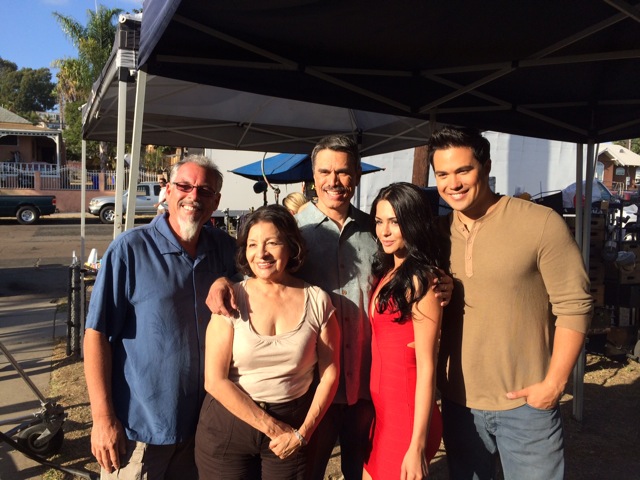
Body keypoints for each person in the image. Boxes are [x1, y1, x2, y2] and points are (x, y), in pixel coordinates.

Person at [207, 134, 453, 480]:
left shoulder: (377, 231)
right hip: (312, 390)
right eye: (325, 172)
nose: (334, 181)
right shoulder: (294, 231)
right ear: (313, 174)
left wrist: (445, 282)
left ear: (357, 175)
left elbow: (406, 275)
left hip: (370, 388)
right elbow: (255, 270)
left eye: (343, 172)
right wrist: (221, 281)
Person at [427, 126, 593, 480]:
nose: (452, 183)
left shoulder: (539, 223)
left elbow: (575, 305)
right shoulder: (436, 236)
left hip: (526, 405)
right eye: (442, 174)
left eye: (463, 170)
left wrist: (553, 385)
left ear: (485, 168)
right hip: (460, 404)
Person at [84, 155, 238, 479]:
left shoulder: (226, 250)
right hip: (140, 432)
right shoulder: (130, 250)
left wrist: (227, 280)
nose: (193, 196)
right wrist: (101, 418)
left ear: (216, 201)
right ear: (166, 191)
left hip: (204, 430)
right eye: (184, 186)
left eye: (205, 190)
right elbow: (96, 334)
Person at [194, 205, 340, 479]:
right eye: (252, 244)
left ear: (291, 246)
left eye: (272, 243)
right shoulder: (230, 299)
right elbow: (214, 380)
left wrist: (302, 433)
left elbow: (330, 373)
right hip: (228, 427)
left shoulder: (318, 300)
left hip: (293, 425)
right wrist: (273, 428)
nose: (261, 254)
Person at [364, 182, 444, 480]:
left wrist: (417, 444)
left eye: (394, 222)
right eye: (379, 221)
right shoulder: (390, 272)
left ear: (412, 222)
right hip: (384, 412)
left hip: (407, 416)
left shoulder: (423, 281)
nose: (384, 231)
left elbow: (426, 366)